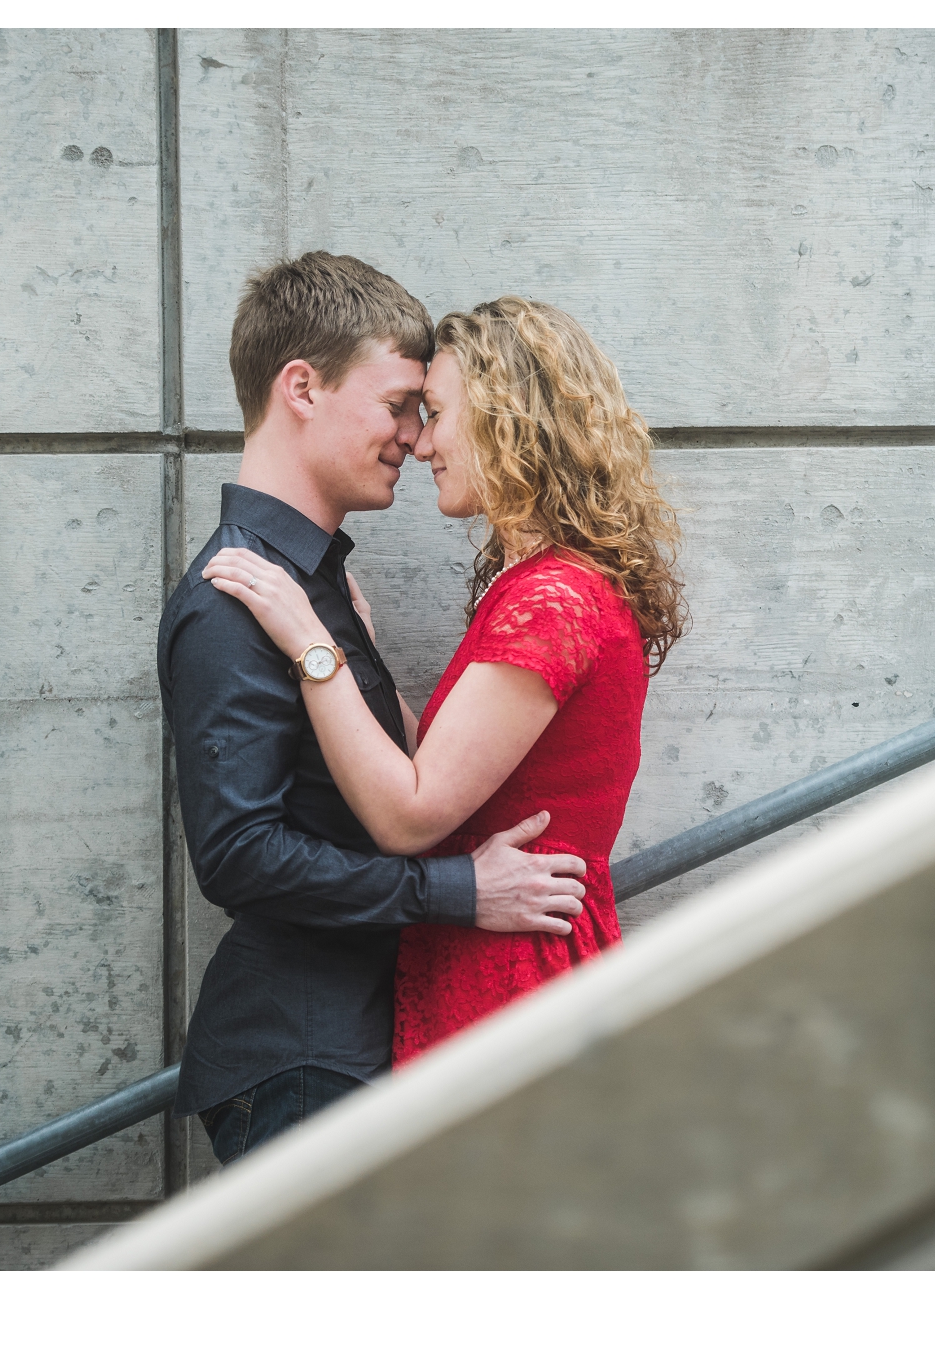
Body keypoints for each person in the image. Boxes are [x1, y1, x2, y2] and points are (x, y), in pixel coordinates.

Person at [159, 255, 590, 1165]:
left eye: (423, 412)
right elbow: (238, 855)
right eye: (397, 402)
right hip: (301, 1057)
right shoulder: (233, 593)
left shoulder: (312, 589)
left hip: (351, 1044)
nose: (412, 434)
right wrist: (459, 891)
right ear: (302, 387)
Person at [203, 296, 686, 1065]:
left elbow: (412, 814)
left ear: (508, 418)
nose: (420, 442)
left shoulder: (552, 600)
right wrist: (354, 643)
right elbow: (454, 767)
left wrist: (312, 644)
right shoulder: (547, 586)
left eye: (433, 412)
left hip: (508, 976)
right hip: (498, 959)